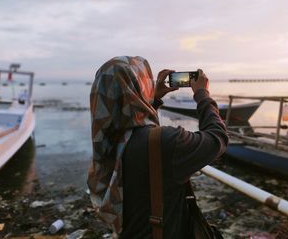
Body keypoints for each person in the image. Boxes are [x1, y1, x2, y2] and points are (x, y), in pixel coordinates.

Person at [88, 56, 228, 238]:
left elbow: (133, 122)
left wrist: (153, 99)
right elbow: (218, 139)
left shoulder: (107, 141)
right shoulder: (164, 141)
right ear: (138, 88)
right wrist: (202, 95)